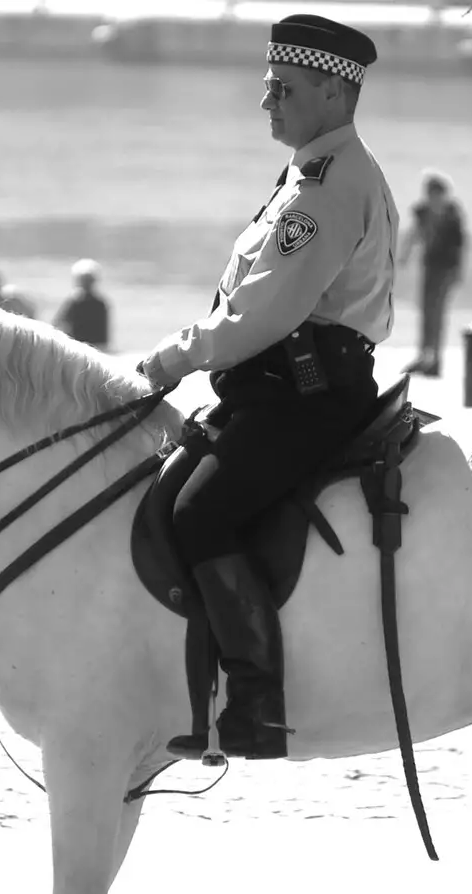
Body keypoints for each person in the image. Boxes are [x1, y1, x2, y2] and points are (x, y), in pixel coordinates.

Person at [134, 13, 396, 761]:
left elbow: (260, 314)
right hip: (274, 390)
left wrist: (168, 361)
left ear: (332, 92)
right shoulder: (314, 171)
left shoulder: (324, 191)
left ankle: (254, 701)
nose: (267, 102)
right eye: (267, 86)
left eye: (283, 88)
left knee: (198, 514)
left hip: (302, 397)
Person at [396, 169, 466, 376]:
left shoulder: (453, 215)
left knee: (438, 313)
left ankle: (435, 358)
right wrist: (405, 255)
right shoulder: (423, 211)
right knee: (426, 311)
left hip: (446, 269)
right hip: (429, 266)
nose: (432, 197)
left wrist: (458, 272)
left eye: (435, 193)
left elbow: (460, 246)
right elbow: (414, 233)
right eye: (429, 193)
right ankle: (423, 355)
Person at [52, 258, 111, 350]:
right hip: (99, 349)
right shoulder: (101, 302)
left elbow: (57, 324)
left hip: (78, 349)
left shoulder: (73, 302)